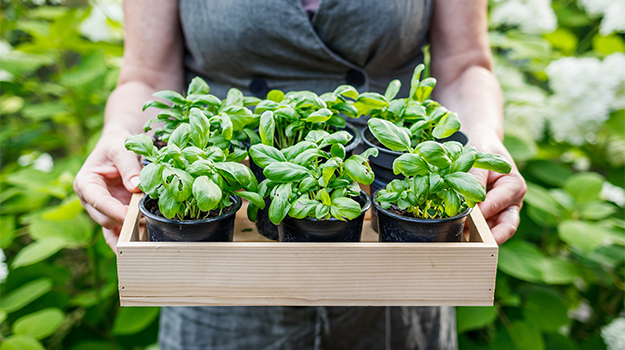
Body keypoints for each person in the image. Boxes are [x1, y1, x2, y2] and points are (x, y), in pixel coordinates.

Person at [74, 0, 527, 349]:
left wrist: (482, 137)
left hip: (398, 277)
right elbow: (147, 72)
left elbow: (465, 63)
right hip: (217, 281)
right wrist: (120, 135)